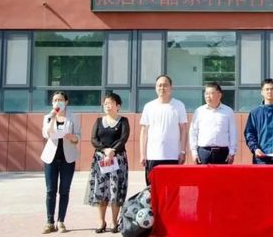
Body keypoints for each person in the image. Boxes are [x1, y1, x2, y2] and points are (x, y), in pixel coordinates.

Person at [85, 92, 130, 234]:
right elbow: (94, 139)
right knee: (101, 190)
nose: (107, 106)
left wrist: (113, 151)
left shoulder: (123, 121)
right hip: (101, 160)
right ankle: (101, 221)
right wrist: (105, 150)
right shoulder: (99, 121)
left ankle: (114, 221)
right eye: (105, 103)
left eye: (110, 103)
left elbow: (123, 138)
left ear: (118, 106)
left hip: (118, 160)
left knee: (115, 190)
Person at [40, 91, 81, 234]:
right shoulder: (47, 117)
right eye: (55, 100)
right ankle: (49, 222)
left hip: (67, 158)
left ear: (66, 102)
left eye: (60, 99)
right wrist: (52, 117)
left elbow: (78, 136)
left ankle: (61, 221)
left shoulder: (73, 117)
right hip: (50, 159)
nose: (58, 102)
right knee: (50, 190)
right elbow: (46, 134)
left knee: (64, 190)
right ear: (52, 103)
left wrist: (72, 137)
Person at [139, 74, 188, 185]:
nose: (162, 88)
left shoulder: (179, 105)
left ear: (171, 87)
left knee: (172, 188)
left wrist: (182, 152)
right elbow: (144, 132)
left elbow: (183, 130)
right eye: (159, 85)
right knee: (152, 189)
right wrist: (143, 154)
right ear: (156, 88)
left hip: (173, 155)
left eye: (165, 85)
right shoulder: (149, 106)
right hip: (153, 155)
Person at [189, 82, 237, 164]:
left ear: (219, 95)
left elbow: (233, 133)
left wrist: (232, 152)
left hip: (223, 153)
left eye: (211, 93)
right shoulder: (199, 111)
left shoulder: (228, 111)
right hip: (203, 153)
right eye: (206, 93)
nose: (208, 96)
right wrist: (194, 152)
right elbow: (193, 132)